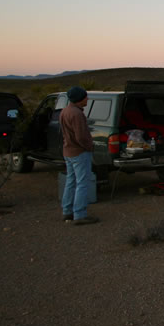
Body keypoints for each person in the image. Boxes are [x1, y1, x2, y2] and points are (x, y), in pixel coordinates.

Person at [60, 86, 99, 225]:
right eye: (85, 97)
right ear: (79, 99)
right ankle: (80, 214)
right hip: (79, 152)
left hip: (68, 151)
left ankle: (67, 211)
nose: (87, 99)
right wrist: (90, 147)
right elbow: (81, 136)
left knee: (71, 182)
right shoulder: (77, 114)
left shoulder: (65, 111)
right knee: (83, 183)